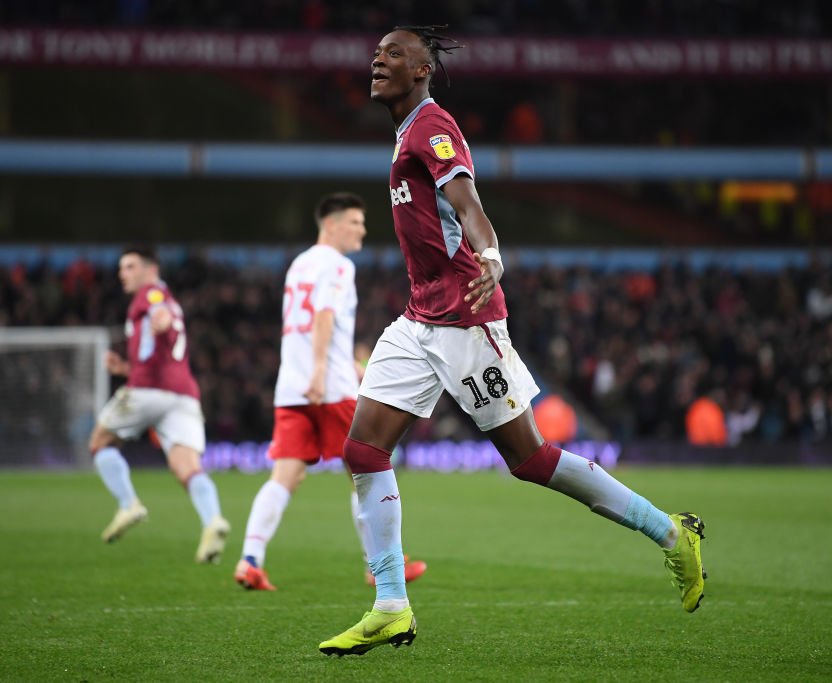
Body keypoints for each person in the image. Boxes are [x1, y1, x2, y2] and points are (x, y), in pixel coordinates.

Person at [318, 26, 707, 657]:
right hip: (420, 321)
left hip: (468, 322)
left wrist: (492, 254)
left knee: (530, 460)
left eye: (393, 53)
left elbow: (468, 202)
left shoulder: (430, 126)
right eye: (377, 51)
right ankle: (391, 605)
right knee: (363, 451)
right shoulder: (404, 132)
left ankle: (670, 533)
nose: (377, 59)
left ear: (422, 70)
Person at [234, 192, 427, 591]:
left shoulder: (299, 264)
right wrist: (324, 370)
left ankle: (250, 559)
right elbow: (323, 315)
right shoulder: (337, 265)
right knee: (367, 473)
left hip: (293, 385)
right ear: (331, 223)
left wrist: (343, 365)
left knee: (284, 476)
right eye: (355, 222)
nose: (362, 229)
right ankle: (381, 566)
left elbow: (307, 324)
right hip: (329, 387)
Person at [91, 246, 230, 563]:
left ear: (150, 269)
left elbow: (159, 314)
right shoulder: (170, 299)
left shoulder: (151, 295)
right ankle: (213, 521)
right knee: (188, 467)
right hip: (182, 394)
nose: (122, 273)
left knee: (99, 443)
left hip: (148, 391)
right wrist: (124, 368)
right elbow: (163, 350)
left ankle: (129, 504)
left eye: (129, 266)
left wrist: (162, 321)